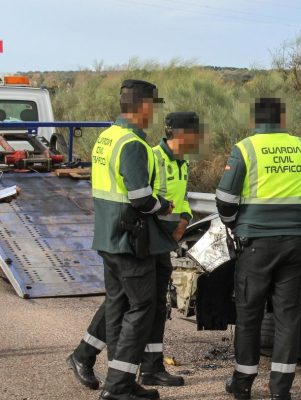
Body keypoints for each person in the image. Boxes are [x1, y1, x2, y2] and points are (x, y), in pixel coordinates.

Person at [216, 98, 301, 400]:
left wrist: (235, 224)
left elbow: (225, 199)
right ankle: (281, 390)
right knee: (287, 316)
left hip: (257, 246)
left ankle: (242, 384)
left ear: (256, 120)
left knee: (249, 314)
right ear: (282, 119)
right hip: (295, 243)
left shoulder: (246, 148)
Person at [67, 111, 201, 393]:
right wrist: (166, 217)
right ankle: (90, 359)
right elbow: (145, 199)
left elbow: (182, 197)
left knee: (154, 304)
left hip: (164, 240)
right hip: (146, 239)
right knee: (129, 302)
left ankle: (150, 367)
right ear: (180, 135)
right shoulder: (152, 156)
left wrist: (185, 219)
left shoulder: (183, 163)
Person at [83, 79, 175, 400]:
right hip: (130, 238)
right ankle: (118, 386)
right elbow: (140, 198)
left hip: (108, 236)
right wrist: (163, 205)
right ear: (143, 107)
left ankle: (120, 380)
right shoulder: (133, 144)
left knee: (119, 304)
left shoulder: (107, 137)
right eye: (152, 107)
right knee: (142, 307)